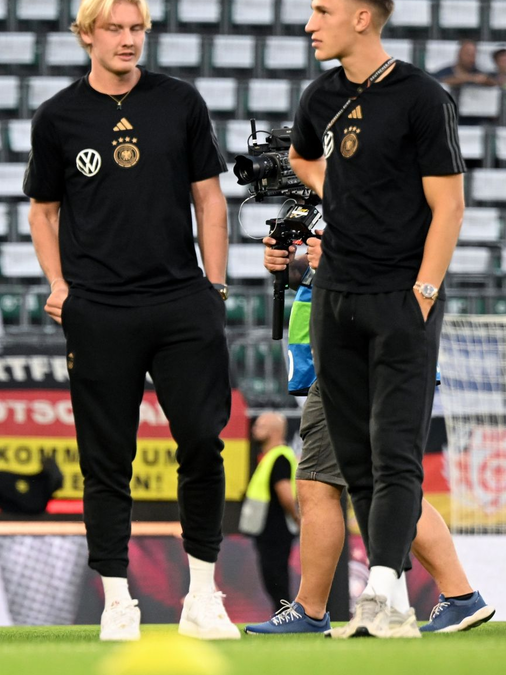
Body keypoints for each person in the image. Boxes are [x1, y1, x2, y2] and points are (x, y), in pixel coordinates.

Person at [24, 0, 236, 642]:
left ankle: (202, 595)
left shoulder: (181, 101)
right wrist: (60, 284)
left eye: (136, 28)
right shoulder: (58, 115)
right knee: (105, 458)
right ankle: (117, 600)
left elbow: (209, 198)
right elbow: (43, 211)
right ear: (86, 35)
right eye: (113, 28)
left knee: (202, 442)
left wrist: (216, 288)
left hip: (180, 302)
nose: (127, 39)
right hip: (99, 308)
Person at [289, 0, 467, 639]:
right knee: (357, 460)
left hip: (400, 295)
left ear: (363, 17)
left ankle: (384, 591)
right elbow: (299, 158)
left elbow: (449, 205)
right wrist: (341, 184)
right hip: (334, 296)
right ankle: (385, 597)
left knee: (395, 454)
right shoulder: (319, 97)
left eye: (323, 10)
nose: (311, 24)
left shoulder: (423, 97)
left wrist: (424, 287)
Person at [249, 236, 496, 636]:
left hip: (351, 347)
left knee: (318, 481)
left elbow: (369, 261)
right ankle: (460, 595)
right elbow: (321, 274)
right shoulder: (373, 199)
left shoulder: (360, 197)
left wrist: (333, 257)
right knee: (390, 481)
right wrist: (291, 264)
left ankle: (311, 609)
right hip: (375, 339)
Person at [241, 413, 299, 611]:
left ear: (274, 431)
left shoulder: (280, 457)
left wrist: (298, 520)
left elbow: (285, 494)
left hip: (276, 530)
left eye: (260, 426)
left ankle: (285, 614)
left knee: (276, 576)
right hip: (268, 529)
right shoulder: (270, 456)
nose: (254, 429)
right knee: (272, 576)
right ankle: (282, 614)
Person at [431, 39, 496, 89]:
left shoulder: (477, 72)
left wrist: (486, 81)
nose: (471, 59)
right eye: (467, 54)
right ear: (459, 54)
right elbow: (441, 82)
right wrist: (470, 78)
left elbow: (494, 83)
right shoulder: (445, 72)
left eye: (473, 55)